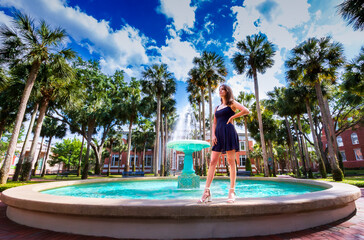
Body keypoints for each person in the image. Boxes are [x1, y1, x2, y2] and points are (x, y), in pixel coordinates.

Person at [199, 84, 250, 203]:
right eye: (219, 89)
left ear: (227, 91)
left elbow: (246, 110)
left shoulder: (231, 103)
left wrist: (233, 117)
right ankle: (206, 191)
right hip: (218, 135)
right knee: (212, 162)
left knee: (231, 162)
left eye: (223, 89)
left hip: (229, 132)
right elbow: (214, 123)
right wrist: (213, 135)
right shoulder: (217, 107)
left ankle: (232, 191)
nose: (220, 91)